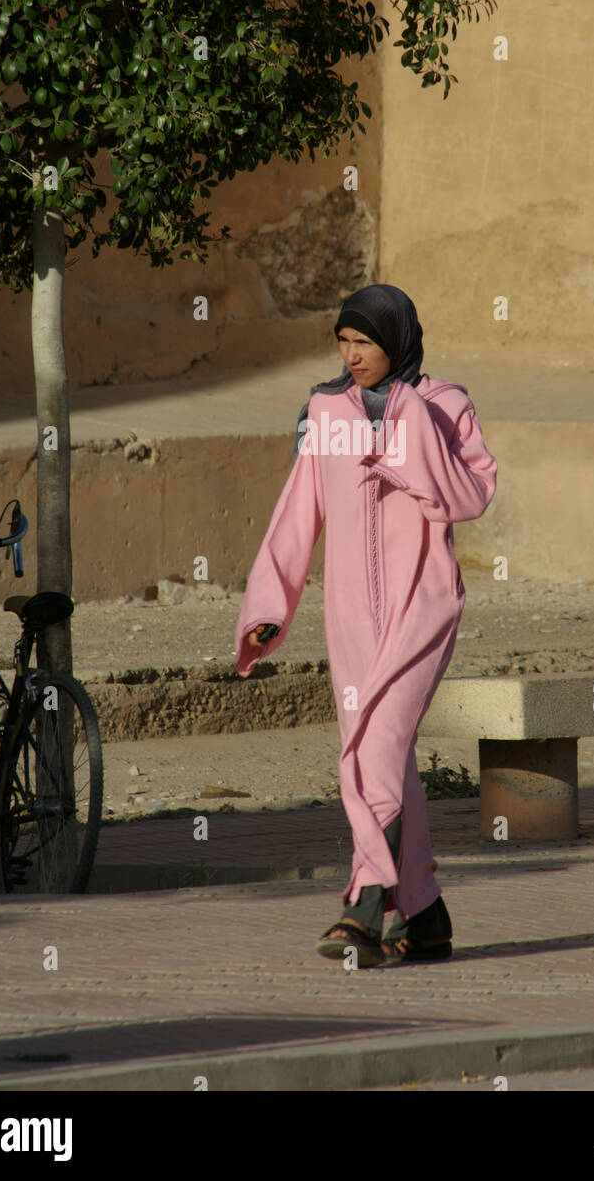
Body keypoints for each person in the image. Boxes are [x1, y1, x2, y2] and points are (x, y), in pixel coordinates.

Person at [234, 283, 497, 967]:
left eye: (366, 343)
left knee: (375, 747)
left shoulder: (442, 405)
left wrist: (405, 427)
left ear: (399, 342)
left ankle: (365, 897)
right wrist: (269, 607)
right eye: (343, 343)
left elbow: (469, 495)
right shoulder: (326, 412)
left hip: (424, 603)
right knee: (388, 757)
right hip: (350, 615)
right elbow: (298, 515)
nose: (352, 356)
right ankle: (427, 915)